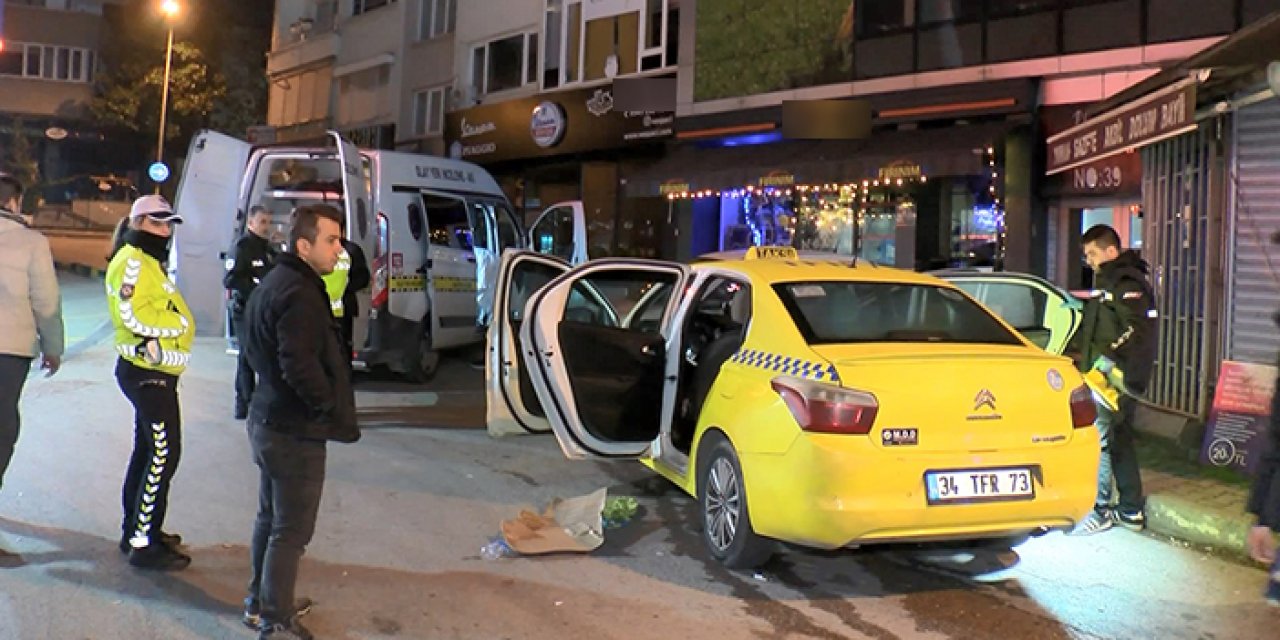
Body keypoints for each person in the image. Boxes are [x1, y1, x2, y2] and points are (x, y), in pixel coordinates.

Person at [241, 204, 359, 640]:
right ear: (304, 245)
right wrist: (326, 406)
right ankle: (274, 615)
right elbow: (298, 363)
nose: (338, 248)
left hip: (268, 417)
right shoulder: (300, 293)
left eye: (339, 239)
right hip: (292, 429)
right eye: (330, 240)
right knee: (290, 530)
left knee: (271, 519)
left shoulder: (279, 281)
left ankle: (261, 602)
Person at [106, 194, 194, 570]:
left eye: (168, 223)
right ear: (139, 223)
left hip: (155, 372)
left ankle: (141, 530)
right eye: (157, 223)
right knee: (162, 454)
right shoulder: (132, 263)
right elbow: (131, 314)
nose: (165, 230)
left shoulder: (148, 262)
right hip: (146, 373)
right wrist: (177, 324)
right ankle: (143, 543)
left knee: (149, 453)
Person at [1069, 224, 1157, 535]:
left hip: (1114, 378)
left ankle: (1100, 509)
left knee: (1100, 442)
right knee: (1119, 442)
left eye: (1093, 253)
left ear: (1110, 250)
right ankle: (1130, 510)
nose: (1089, 260)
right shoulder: (1110, 282)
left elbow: (1136, 329)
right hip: (1109, 376)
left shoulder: (1125, 283)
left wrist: (1105, 361)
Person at [0, 172, 64, 542]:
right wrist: (52, 347)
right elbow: (46, 301)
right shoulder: (31, 242)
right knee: (3, 427)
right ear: (14, 203)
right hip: (9, 352)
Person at [224, 206, 279, 419]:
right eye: (262, 222)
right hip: (245, 310)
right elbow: (230, 279)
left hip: (265, 312)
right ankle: (243, 403)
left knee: (265, 355)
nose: (266, 227)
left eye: (268, 222)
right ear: (251, 223)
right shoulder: (242, 247)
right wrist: (256, 290)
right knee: (247, 357)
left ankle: (263, 402)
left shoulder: (270, 250)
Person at [321, 220, 369, 363]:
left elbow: (363, 278)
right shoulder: (320, 248)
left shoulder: (351, 250)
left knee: (343, 347)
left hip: (343, 308)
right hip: (321, 307)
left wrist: (345, 288)